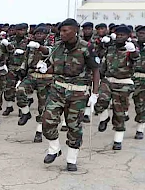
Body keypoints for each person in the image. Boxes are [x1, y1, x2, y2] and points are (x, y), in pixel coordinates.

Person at [40, 18, 100, 171]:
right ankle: (54, 148)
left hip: (78, 93)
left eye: (66, 30)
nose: (62, 33)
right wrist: (44, 69)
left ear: (75, 31)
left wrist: (95, 93)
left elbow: (95, 70)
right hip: (58, 90)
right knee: (47, 121)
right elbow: (55, 67)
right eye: (61, 30)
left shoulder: (87, 48)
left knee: (74, 126)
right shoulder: (57, 47)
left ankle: (71, 159)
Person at [93, 25, 139, 150]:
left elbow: (136, 58)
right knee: (100, 101)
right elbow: (101, 61)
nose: (119, 37)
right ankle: (104, 118)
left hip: (123, 83)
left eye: (122, 35)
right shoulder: (110, 48)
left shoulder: (131, 48)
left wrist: (133, 51)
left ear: (128, 37)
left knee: (119, 112)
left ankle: (117, 140)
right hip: (108, 80)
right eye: (118, 35)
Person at [16, 24, 53, 143]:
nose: (39, 35)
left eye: (41, 34)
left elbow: (48, 52)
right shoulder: (30, 46)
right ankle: (26, 113)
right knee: (20, 91)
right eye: (37, 34)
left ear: (46, 35)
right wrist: (22, 71)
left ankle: (39, 131)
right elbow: (26, 60)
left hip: (46, 78)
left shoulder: (53, 45)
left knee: (42, 107)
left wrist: (39, 47)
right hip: (32, 75)